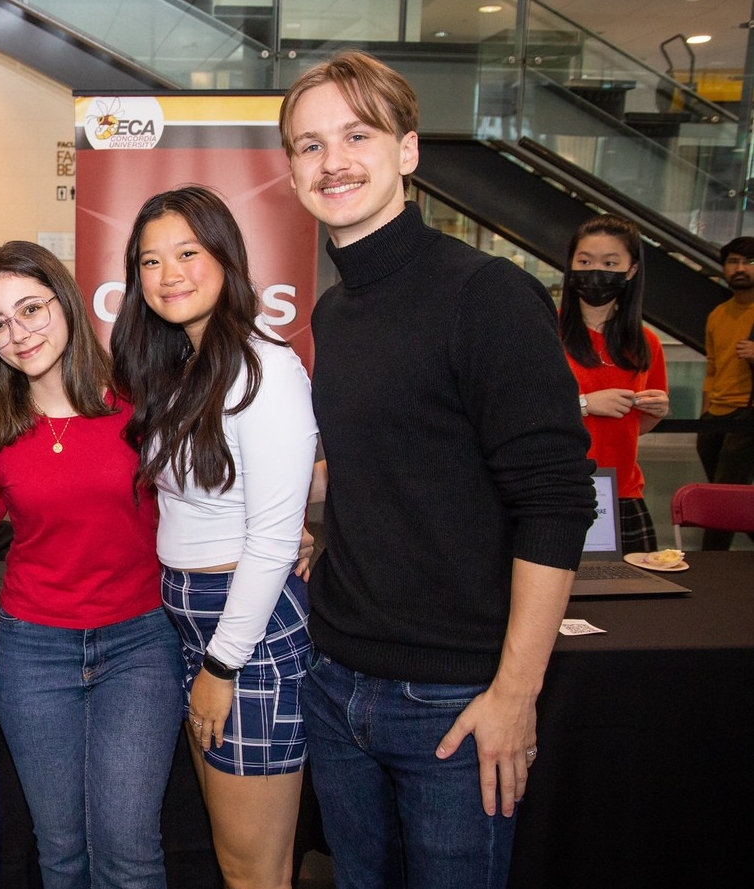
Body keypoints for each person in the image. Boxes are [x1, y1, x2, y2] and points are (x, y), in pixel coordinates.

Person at [278, 51, 596, 888]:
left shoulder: (486, 295)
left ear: (408, 151)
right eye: (309, 145)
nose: (332, 160)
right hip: (335, 678)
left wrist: (516, 693)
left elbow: (556, 503)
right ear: (291, 170)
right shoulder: (334, 309)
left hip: (454, 702)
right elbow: (381, 459)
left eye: (356, 134)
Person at [110, 186, 319, 889]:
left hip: (245, 634)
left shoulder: (265, 368)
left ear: (226, 257)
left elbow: (271, 539)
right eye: (149, 260)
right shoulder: (180, 368)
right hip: (197, 621)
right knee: (234, 857)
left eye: (187, 253)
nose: (168, 274)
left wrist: (223, 666)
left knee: (252, 869)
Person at [0, 241, 182, 888]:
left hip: (141, 644)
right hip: (33, 650)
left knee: (129, 850)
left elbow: (204, 496)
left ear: (63, 300)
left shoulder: (140, 399)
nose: (19, 332)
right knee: (59, 851)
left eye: (30, 308)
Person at [560, 213, 671, 553]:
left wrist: (655, 412)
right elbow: (515, 410)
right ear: (571, 265)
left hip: (622, 492)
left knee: (632, 601)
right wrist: (585, 403)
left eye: (610, 262)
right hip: (558, 491)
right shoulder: (544, 332)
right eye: (585, 261)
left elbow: (633, 429)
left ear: (631, 270)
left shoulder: (646, 343)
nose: (596, 271)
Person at [696, 236, 754, 549]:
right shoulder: (718, 314)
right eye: (733, 262)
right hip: (716, 414)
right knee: (728, 490)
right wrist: (704, 416)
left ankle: (710, 558)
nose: (740, 268)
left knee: (723, 492)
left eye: (749, 262)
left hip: (748, 413)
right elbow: (713, 368)